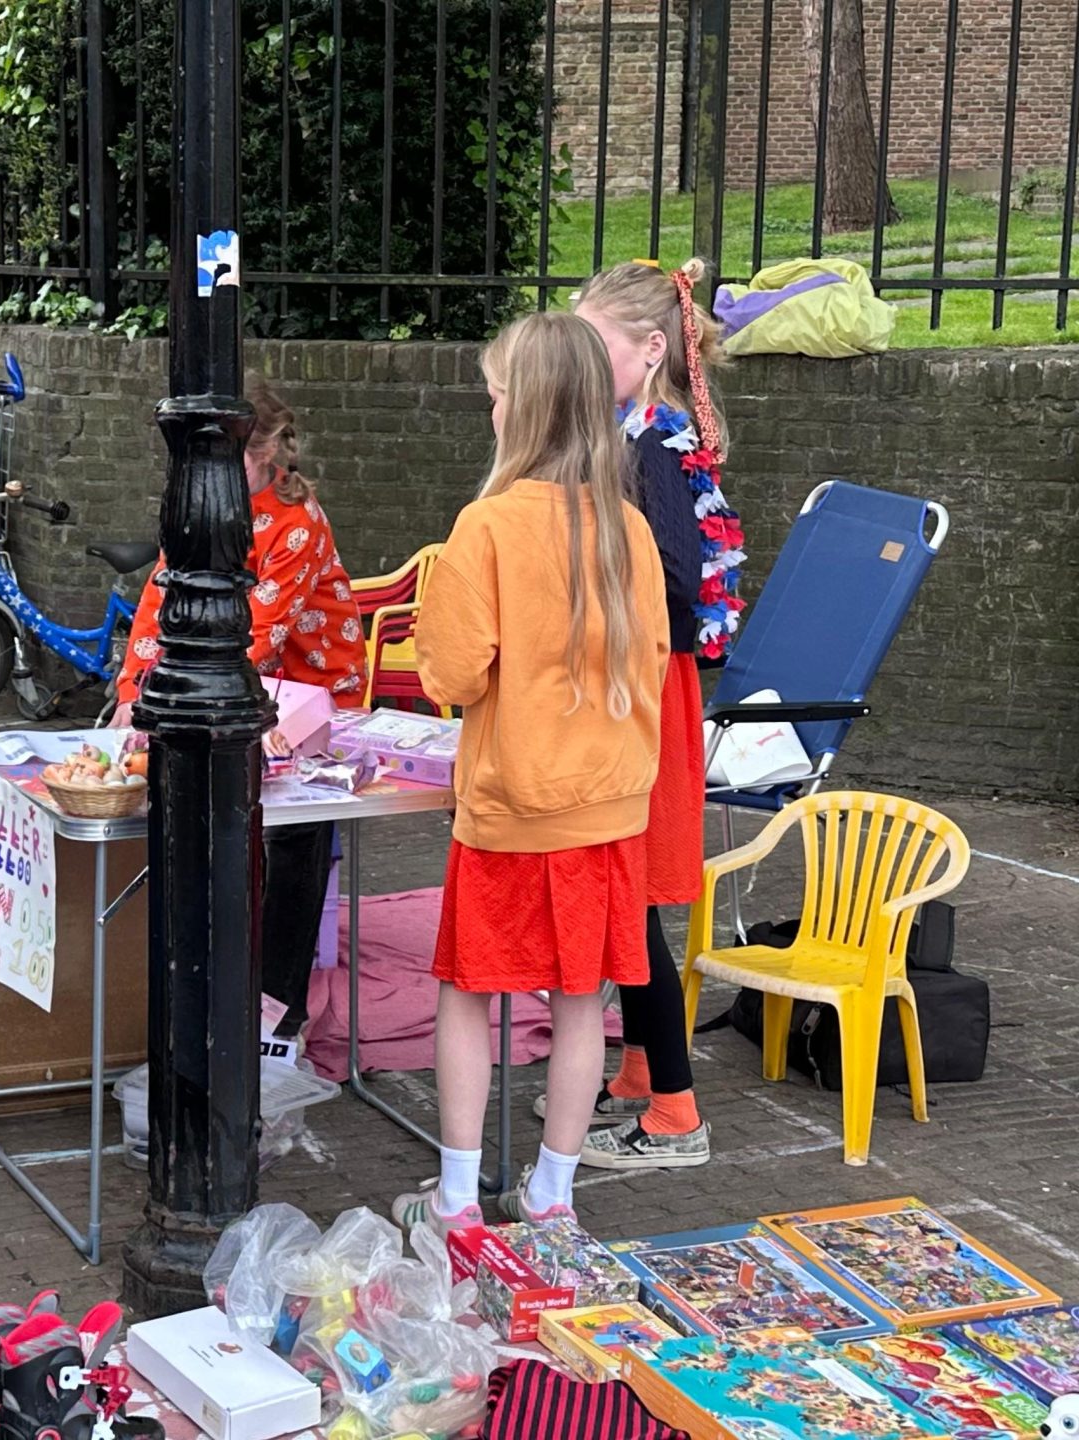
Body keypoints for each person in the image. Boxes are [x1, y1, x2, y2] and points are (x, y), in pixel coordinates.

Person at [387, 310, 667, 1233]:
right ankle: (554, 1196)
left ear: (527, 408)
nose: (490, 409)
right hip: (611, 806)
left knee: (469, 995)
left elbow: (454, 673)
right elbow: (656, 659)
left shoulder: (489, 525)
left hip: (513, 806)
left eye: (497, 393)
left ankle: (459, 1200)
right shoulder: (630, 525)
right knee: (582, 1003)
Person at [110, 379, 366, 1039]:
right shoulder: (198, 506)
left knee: (295, 834)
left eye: (234, 461)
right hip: (228, 688)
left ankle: (280, 1005)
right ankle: (215, 981)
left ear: (267, 454)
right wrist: (133, 695)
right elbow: (157, 599)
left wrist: (162, 700)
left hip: (311, 694)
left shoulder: (299, 519)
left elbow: (258, 630)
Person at [569, 258, 739, 1173]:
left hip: (648, 690)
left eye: (593, 348)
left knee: (630, 905)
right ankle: (638, 1071)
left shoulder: (652, 450)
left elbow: (675, 594)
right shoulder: (641, 436)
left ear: (647, 350)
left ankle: (676, 1113)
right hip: (644, 684)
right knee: (628, 901)